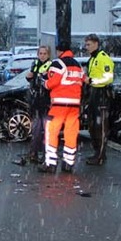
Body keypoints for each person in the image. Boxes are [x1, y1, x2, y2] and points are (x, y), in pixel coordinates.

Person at [39, 46, 84, 174]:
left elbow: (52, 83)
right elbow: (82, 81)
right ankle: (68, 163)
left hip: (59, 104)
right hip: (74, 104)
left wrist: (44, 82)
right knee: (71, 132)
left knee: (51, 131)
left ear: (59, 51)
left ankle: (51, 163)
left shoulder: (58, 63)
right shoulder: (78, 65)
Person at [14, 44, 53, 166]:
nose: (42, 56)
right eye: (40, 53)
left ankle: (47, 156)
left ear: (48, 55)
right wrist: (29, 77)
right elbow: (32, 79)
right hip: (36, 101)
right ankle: (34, 153)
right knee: (36, 129)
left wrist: (39, 77)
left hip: (45, 101)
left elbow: (48, 83)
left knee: (47, 130)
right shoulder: (35, 64)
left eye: (44, 54)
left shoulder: (51, 66)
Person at [82, 33, 115, 165]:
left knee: (100, 127)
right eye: (86, 44)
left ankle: (100, 155)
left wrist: (92, 81)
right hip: (93, 94)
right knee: (92, 126)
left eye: (89, 44)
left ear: (96, 44)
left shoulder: (103, 58)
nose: (87, 47)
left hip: (102, 95)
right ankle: (97, 153)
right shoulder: (92, 59)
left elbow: (108, 78)